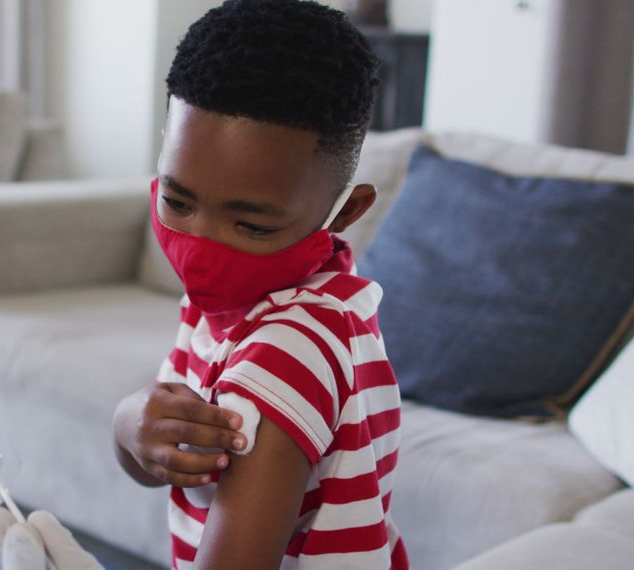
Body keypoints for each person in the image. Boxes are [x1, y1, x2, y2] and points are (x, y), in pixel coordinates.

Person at [111, 1, 409, 568]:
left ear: (345, 213)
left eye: (252, 225)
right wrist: (129, 425)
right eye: (177, 200)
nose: (203, 246)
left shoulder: (287, 349)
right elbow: (167, 461)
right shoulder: (230, 301)